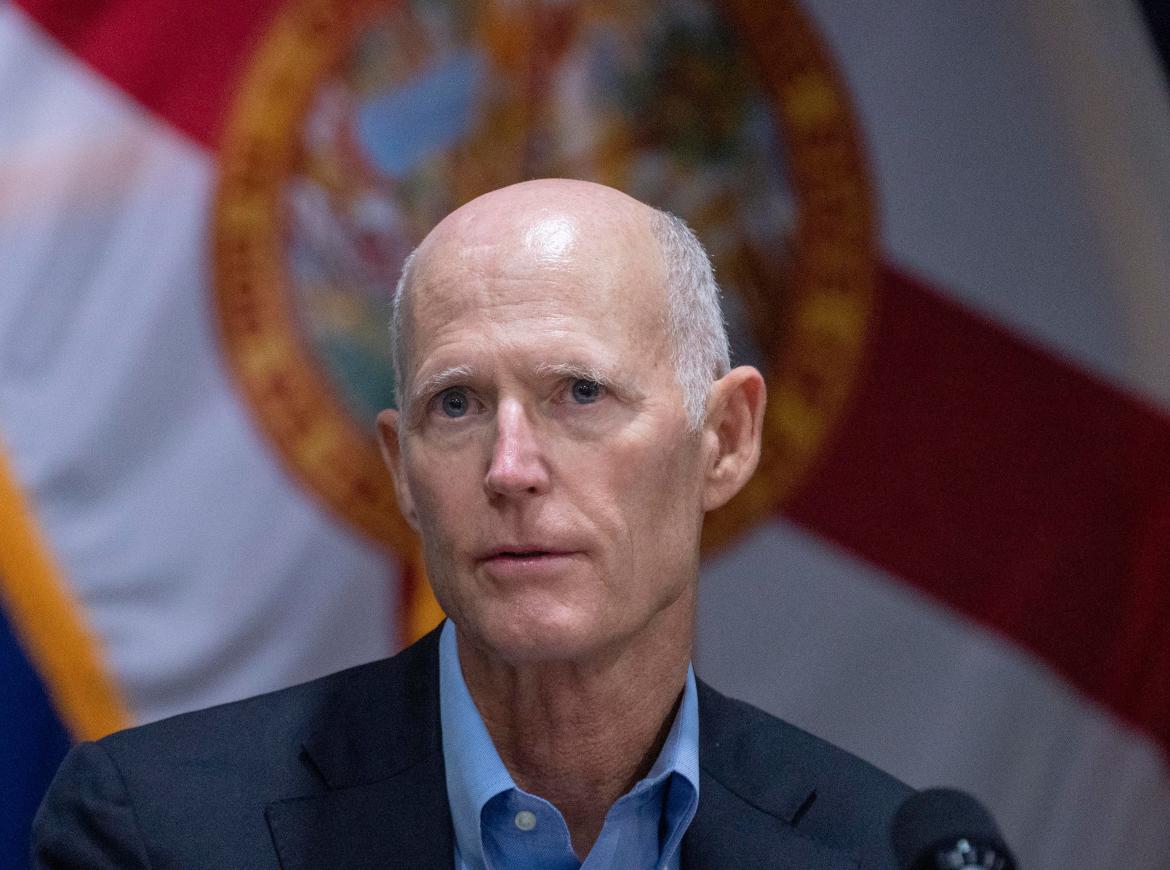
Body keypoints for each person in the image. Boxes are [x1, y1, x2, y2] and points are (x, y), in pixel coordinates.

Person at [33, 179, 910, 869]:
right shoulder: (157, 834)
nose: (510, 468)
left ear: (722, 441)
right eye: (456, 405)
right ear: (401, 471)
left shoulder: (886, 850)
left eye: (579, 392)